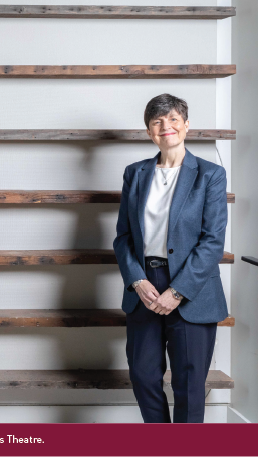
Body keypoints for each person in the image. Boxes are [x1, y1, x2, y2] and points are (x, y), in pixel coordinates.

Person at [113, 93, 228, 423]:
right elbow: (123, 237)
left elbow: (212, 241)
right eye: (157, 122)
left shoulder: (210, 175)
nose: (166, 127)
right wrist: (136, 279)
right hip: (144, 287)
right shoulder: (135, 173)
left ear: (186, 125)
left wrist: (177, 291)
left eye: (173, 119)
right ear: (149, 131)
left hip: (192, 288)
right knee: (143, 376)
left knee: (189, 385)